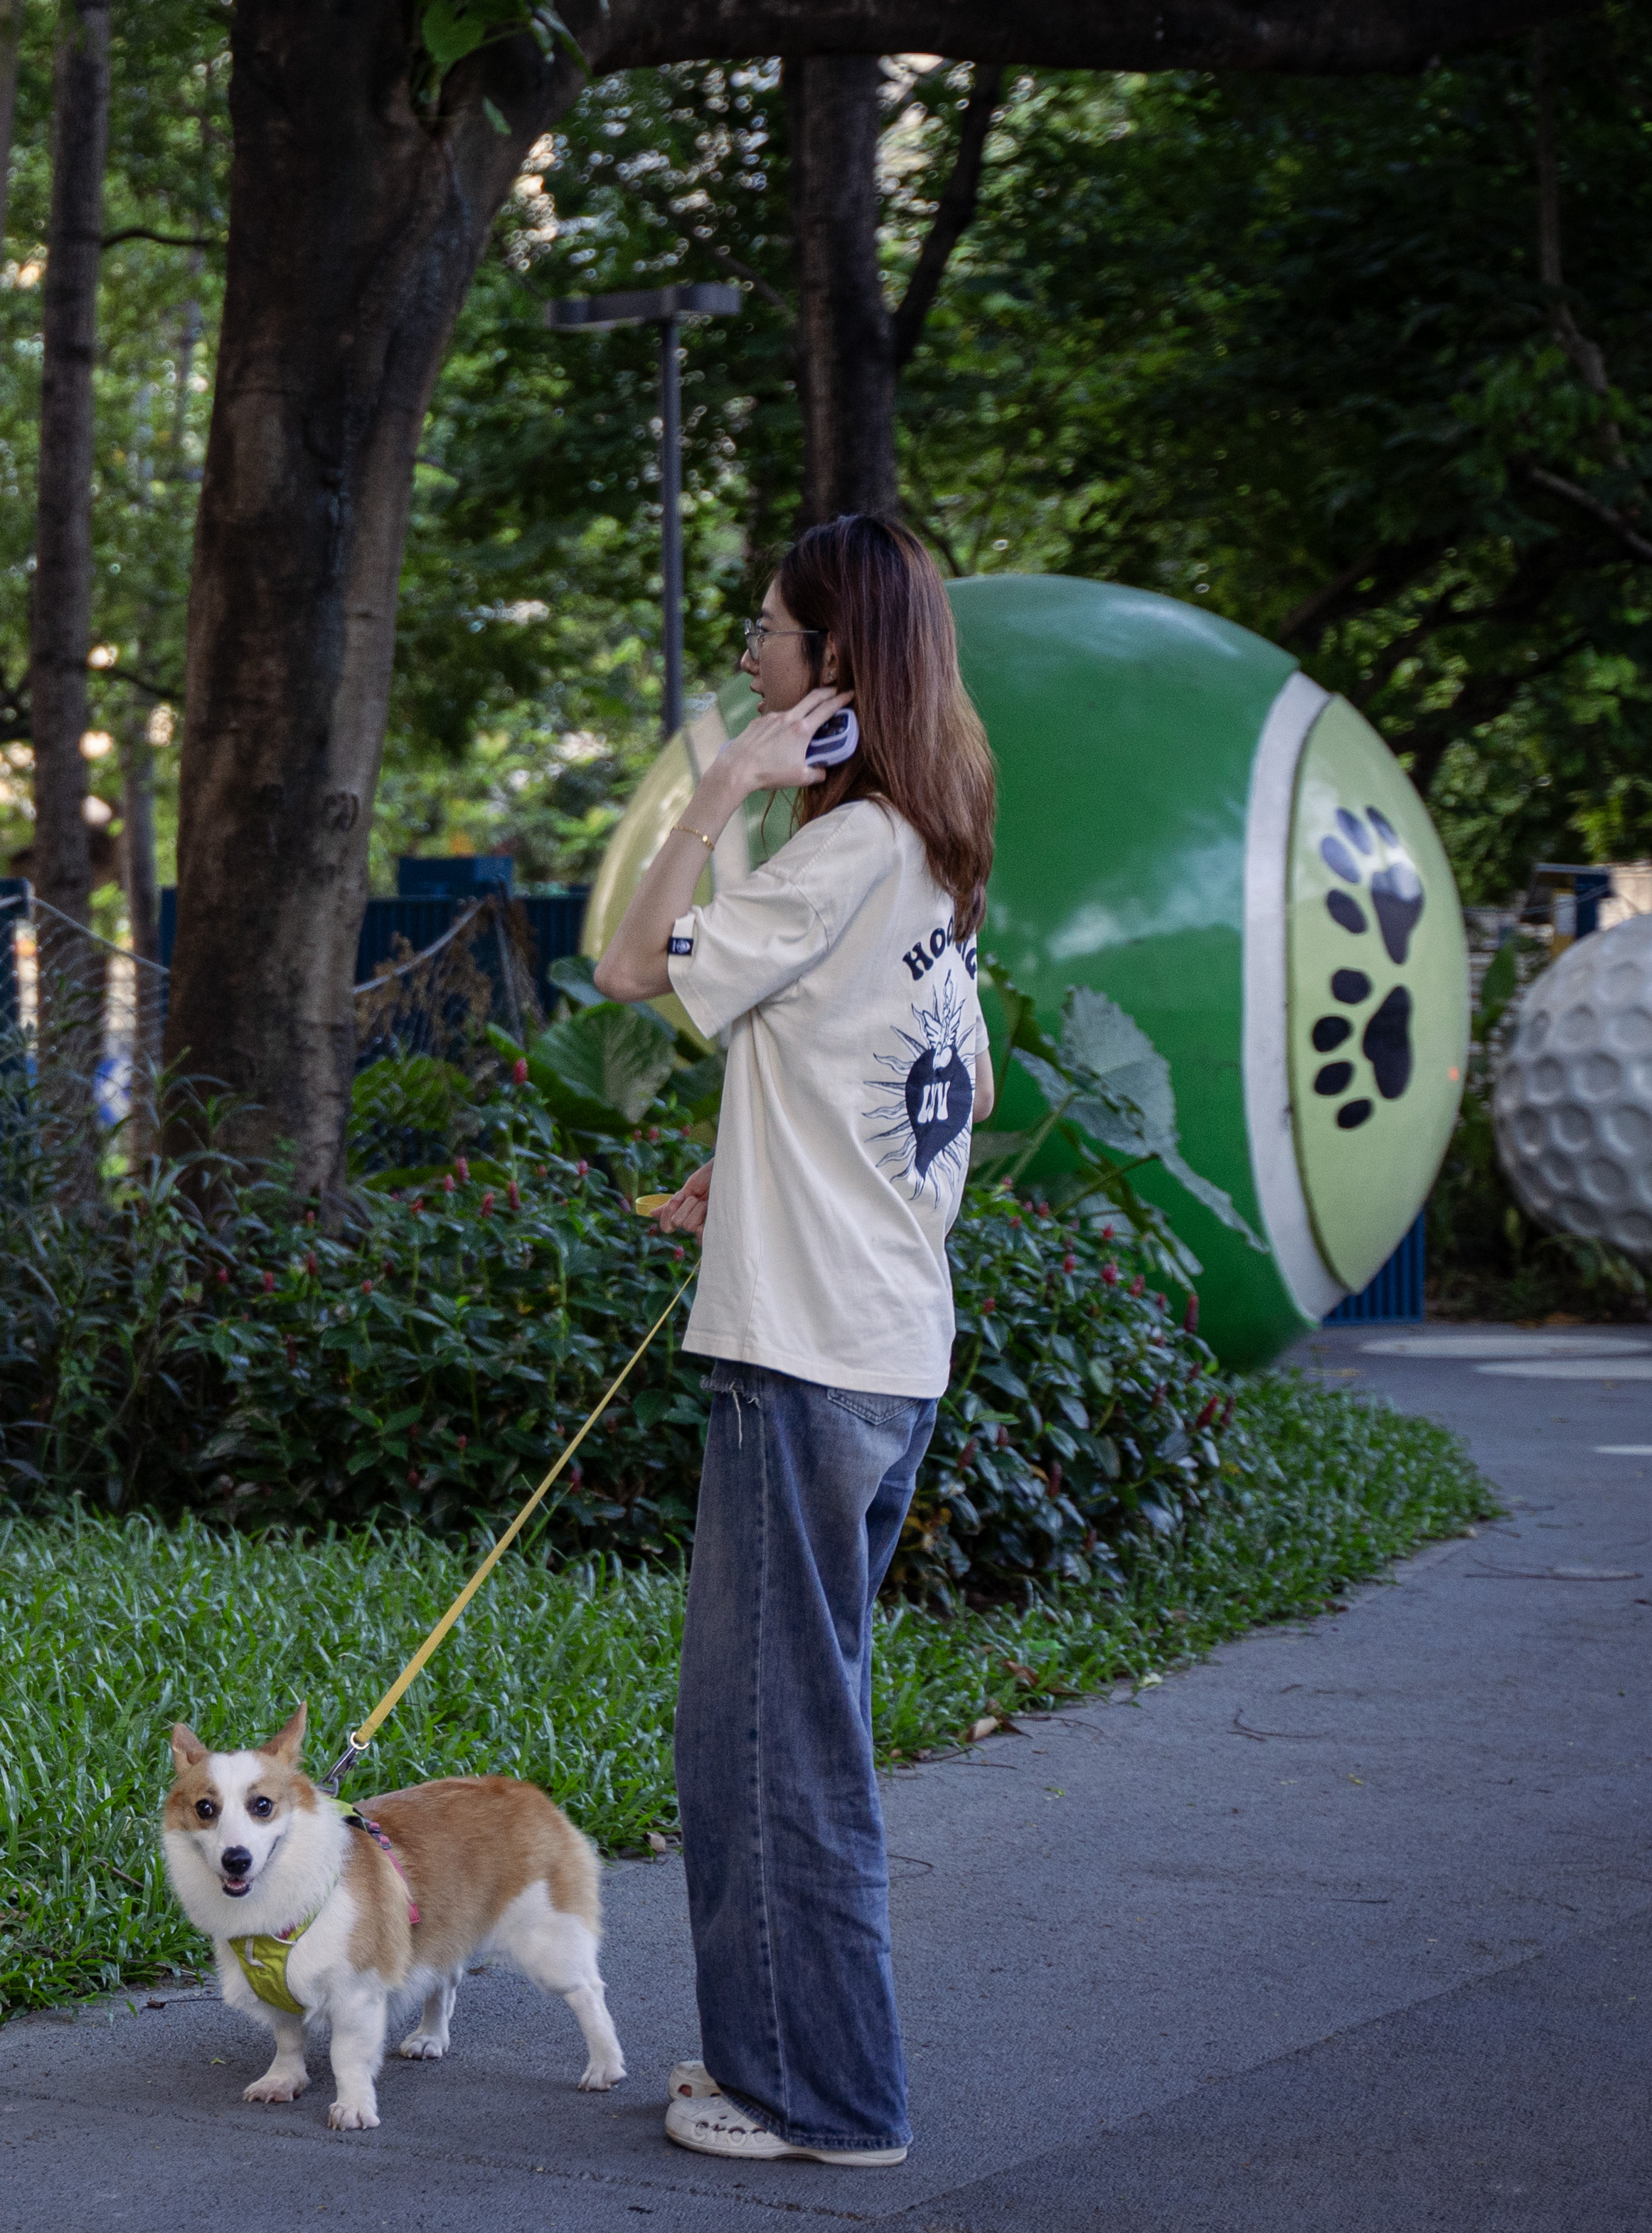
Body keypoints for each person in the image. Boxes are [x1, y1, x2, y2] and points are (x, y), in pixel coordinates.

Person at [589, 513, 998, 2171]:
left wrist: (721, 788)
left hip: (805, 1359)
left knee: (775, 1747)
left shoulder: (831, 852)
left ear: (833, 670)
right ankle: (766, 2068)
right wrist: (751, 1149)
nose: (749, 656)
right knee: (760, 1731)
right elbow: (952, 1088)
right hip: (882, 1347)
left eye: (768, 635)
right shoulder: (934, 849)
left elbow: (626, 960)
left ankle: (828, 2099)